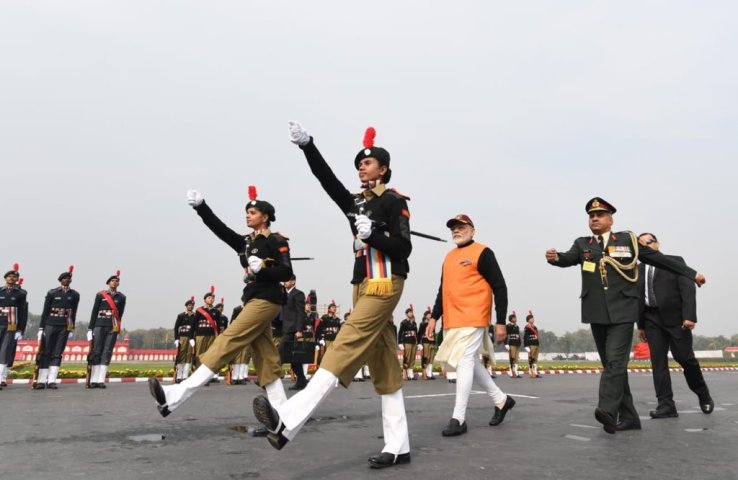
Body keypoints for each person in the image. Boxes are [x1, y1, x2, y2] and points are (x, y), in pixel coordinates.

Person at [252, 122, 412, 469]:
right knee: (384, 362)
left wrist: (375, 237)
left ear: (382, 168)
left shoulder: (394, 202)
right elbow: (327, 181)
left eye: (367, 163)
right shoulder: (355, 204)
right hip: (362, 284)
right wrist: (308, 146)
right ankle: (399, 445)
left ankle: (289, 418)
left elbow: (403, 247)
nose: (360, 167)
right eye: (358, 163)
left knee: (345, 343)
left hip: (385, 283)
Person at [545, 197, 706, 434]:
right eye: (591, 215)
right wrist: (555, 257)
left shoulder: (627, 240)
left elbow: (659, 259)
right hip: (596, 312)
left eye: (600, 215)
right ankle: (630, 417)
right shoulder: (583, 244)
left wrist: (692, 274)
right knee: (612, 365)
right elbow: (567, 258)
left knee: (615, 362)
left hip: (622, 311)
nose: (595, 218)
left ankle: (607, 409)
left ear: (610, 219)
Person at [148, 186, 293, 418]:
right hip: (253, 299)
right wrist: (202, 208)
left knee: (228, 340)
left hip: (267, 299)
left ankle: (177, 394)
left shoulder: (276, 240)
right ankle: (284, 414)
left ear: (265, 217)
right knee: (266, 358)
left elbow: (286, 272)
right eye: (247, 212)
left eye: (253, 212)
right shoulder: (246, 243)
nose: (248, 215)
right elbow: (220, 229)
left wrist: (264, 268)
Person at [426, 214, 515, 437]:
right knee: (471, 361)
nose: (456, 230)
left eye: (461, 227)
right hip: (453, 318)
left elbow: (500, 287)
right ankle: (501, 400)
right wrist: (434, 317)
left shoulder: (483, 252)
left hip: (474, 315)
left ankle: (459, 418)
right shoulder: (448, 257)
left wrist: (501, 321)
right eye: (453, 228)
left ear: (472, 230)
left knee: (464, 360)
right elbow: (442, 289)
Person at [636, 232, 714, 418]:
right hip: (651, 319)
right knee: (658, 362)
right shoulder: (637, 268)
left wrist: (689, 316)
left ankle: (703, 394)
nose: (645, 247)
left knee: (685, 358)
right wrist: (641, 325)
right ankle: (666, 405)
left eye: (648, 243)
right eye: (640, 245)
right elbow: (638, 297)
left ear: (657, 244)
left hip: (676, 320)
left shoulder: (674, 261)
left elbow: (688, 289)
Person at [36, 266, 80, 389]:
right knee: (46, 352)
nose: (66, 280)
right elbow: (45, 311)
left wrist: (71, 328)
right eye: (64, 278)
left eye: (68, 278)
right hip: (50, 324)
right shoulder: (52, 293)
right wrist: (41, 328)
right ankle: (41, 380)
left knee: (57, 353)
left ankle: (51, 380)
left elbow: (74, 312)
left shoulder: (75, 295)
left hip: (64, 326)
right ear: (60, 280)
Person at [87, 271, 126, 389]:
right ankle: (93, 379)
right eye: (112, 281)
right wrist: (90, 328)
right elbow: (94, 311)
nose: (115, 282)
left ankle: (100, 380)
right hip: (99, 324)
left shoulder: (122, 297)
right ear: (108, 283)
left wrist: (118, 329)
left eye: (116, 281)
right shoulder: (100, 295)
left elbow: (120, 314)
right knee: (97, 351)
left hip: (112, 326)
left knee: (107, 351)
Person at [0, 265, 28, 389]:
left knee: (5, 351)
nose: (11, 278)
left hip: (11, 326)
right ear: (5, 278)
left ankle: (1, 378)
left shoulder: (21, 294)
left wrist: (20, 329)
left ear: (17, 279)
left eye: (14, 277)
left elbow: (22, 312)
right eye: (9, 276)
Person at [281, 275, 309, 391]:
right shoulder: (283, 294)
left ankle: (267, 380)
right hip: (285, 328)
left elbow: (300, 313)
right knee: (294, 358)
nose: (285, 282)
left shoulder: (298, 294)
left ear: (293, 281)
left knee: (280, 353)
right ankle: (302, 380)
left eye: (287, 280)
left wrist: (299, 330)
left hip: (293, 330)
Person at [192, 289, 221, 384]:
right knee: (199, 355)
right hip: (200, 335)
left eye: (212, 298)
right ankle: (197, 376)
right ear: (205, 299)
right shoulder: (199, 310)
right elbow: (194, 324)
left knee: (209, 355)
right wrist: (191, 337)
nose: (211, 299)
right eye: (209, 298)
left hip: (211, 335)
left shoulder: (216, 311)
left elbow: (219, 325)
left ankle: (206, 377)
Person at [173, 298, 196, 384]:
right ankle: (179, 376)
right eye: (189, 305)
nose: (191, 306)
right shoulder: (181, 316)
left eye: (192, 305)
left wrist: (193, 338)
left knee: (189, 356)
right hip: (182, 337)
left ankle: (185, 375)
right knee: (181, 356)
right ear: (186, 306)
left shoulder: (195, 316)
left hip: (191, 339)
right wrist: (176, 339)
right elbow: (176, 328)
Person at [230, 303, 252, 385]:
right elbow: (232, 322)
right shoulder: (237, 309)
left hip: (248, 334)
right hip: (238, 334)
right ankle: (235, 377)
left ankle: (241, 377)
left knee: (244, 356)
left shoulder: (252, 309)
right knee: (237, 357)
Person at [315, 301, 341, 365]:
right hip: (326, 339)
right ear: (329, 309)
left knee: (333, 354)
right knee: (324, 354)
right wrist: (319, 339)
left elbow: (339, 330)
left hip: (334, 339)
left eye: (335, 307)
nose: (334, 308)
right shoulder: (324, 317)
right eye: (332, 307)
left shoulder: (337, 319)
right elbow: (319, 328)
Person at [397, 306, 418, 380]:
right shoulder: (404, 322)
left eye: (411, 312)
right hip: (407, 341)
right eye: (409, 312)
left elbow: (416, 333)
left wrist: (418, 343)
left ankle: (410, 373)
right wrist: (399, 342)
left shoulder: (414, 323)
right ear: (406, 314)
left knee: (412, 358)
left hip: (413, 341)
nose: (411, 313)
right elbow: (400, 332)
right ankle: (405, 373)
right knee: (407, 357)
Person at [417, 308, 436, 380]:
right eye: (428, 315)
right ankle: (424, 373)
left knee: (431, 358)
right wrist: (419, 343)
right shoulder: (422, 324)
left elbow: (433, 333)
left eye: (430, 315)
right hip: (425, 341)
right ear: (425, 316)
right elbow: (419, 334)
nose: (430, 316)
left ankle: (429, 374)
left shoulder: (433, 324)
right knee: (426, 357)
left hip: (432, 342)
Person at [523, 311, 542, 379]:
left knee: (535, 359)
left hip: (536, 344)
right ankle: (531, 372)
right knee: (531, 359)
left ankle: (535, 372)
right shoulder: (527, 328)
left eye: (533, 318)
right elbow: (525, 337)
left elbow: (537, 336)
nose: (533, 319)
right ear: (528, 320)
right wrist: (526, 346)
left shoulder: (535, 327)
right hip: (531, 344)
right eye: (531, 318)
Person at [505, 313, 522, 378]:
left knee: (516, 359)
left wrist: (520, 343)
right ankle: (512, 372)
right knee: (512, 358)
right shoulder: (508, 326)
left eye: (515, 318)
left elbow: (518, 335)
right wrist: (506, 343)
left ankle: (516, 372)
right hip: (511, 343)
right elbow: (506, 335)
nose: (516, 319)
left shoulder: (517, 326)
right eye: (514, 318)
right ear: (511, 319)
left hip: (517, 344)